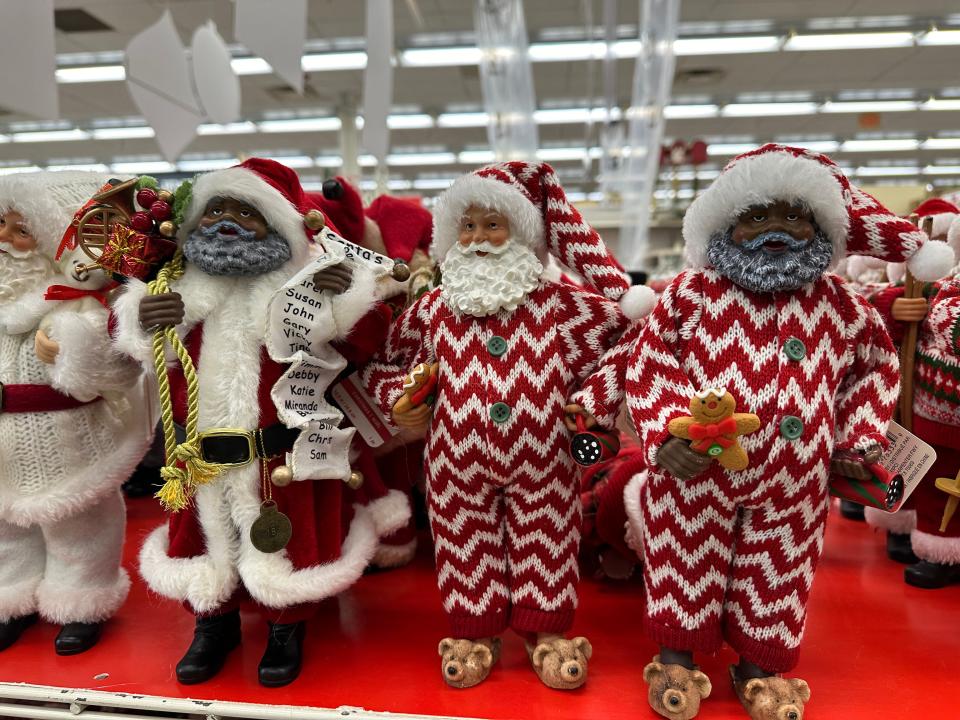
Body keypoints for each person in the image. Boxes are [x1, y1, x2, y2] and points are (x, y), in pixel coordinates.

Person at [573, 144, 953, 719]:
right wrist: (667, 434)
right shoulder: (688, 297)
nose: (777, 228)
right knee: (685, 561)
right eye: (756, 216)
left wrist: (858, 440)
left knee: (780, 570)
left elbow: (875, 370)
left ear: (821, 225)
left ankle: (762, 666)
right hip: (697, 470)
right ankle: (677, 658)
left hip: (797, 481)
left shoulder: (844, 307)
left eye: (794, 215)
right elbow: (648, 361)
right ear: (724, 224)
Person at [111, 159, 409, 687]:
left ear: (278, 224)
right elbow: (144, 349)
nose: (226, 220)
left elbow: (364, 345)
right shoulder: (175, 289)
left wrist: (344, 298)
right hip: (197, 456)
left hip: (280, 455)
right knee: (205, 542)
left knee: (285, 548)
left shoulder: (299, 288)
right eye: (216, 209)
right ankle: (213, 623)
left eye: (247, 211)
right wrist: (140, 318)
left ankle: (285, 626)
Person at [360, 161, 653, 690]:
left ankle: (547, 632)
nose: (477, 238)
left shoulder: (564, 307)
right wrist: (398, 399)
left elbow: (636, 339)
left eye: (492, 224)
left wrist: (592, 403)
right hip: (455, 465)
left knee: (547, 538)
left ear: (522, 232)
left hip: (545, 460)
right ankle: (474, 631)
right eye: (466, 226)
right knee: (462, 542)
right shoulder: (433, 311)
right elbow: (380, 366)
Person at [0, 171, 151, 655]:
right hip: (6, 446)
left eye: (21, 230)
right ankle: (13, 597)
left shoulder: (81, 306)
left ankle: (80, 600)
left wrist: (74, 349)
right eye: (0, 225)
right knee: (9, 530)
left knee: (80, 529)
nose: (4, 239)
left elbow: (120, 372)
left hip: (69, 440)